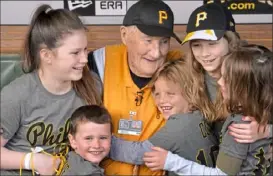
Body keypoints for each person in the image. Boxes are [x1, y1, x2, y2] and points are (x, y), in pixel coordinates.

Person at [0, 4, 101, 175]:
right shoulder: (16, 95)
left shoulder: (93, 86)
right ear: (46, 55)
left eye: (85, 50)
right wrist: (30, 161)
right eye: (75, 52)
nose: (85, 59)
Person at [88, 0, 182, 175]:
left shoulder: (182, 66)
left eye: (164, 41)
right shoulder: (99, 62)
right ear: (124, 35)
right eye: (148, 40)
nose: (157, 52)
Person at [158, 46, 273, 175]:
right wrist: (267, 131)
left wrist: (171, 162)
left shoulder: (238, 127)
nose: (219, 82)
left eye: (227, 80)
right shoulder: (265, 110)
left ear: (246, 87)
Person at [109, 58, 219, 176]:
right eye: (157, 94)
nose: (161, 101)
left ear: (191, 94)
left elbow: (140, 154)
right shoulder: (201, 116)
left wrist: (102, 141)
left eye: (170, 94)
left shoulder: (179, 124)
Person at [60, 105, 111, 175]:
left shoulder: (71, 161)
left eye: (103, 138)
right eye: (88, 138)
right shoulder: (88, 172)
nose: (97, 145)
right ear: (72, 141)